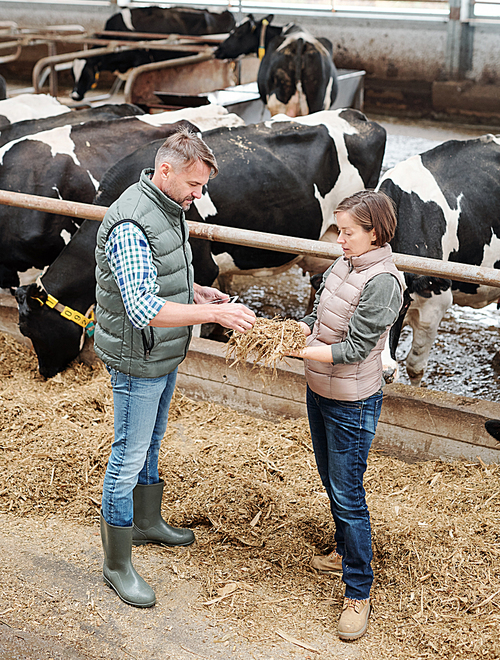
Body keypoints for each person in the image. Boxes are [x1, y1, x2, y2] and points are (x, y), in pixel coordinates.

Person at [94, 128, 256, 608]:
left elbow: (161, 279)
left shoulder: (167, 208)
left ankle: (146, 523)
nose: (199, 195)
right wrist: (212, 315)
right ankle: (116, 564)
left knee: (151, 443)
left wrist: (198, 294)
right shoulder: (131, 223)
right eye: (195, 184)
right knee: (127, 456)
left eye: (203, 186)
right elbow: (142, 307)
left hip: (162, 352)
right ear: (165, 170)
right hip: (138, 357)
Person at [286, 190, 404, 641]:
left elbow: (355, 349)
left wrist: (292, 350)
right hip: (320, 389)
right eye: (338, 230)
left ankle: (359, 590)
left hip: (351, 400)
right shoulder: (344, 265)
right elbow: (321, 319)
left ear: (375, 233)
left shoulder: (383, 283)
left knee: (348, 492)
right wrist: (293, 329)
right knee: (330, 479)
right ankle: (342, 551)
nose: (339, 239)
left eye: (348, 232)